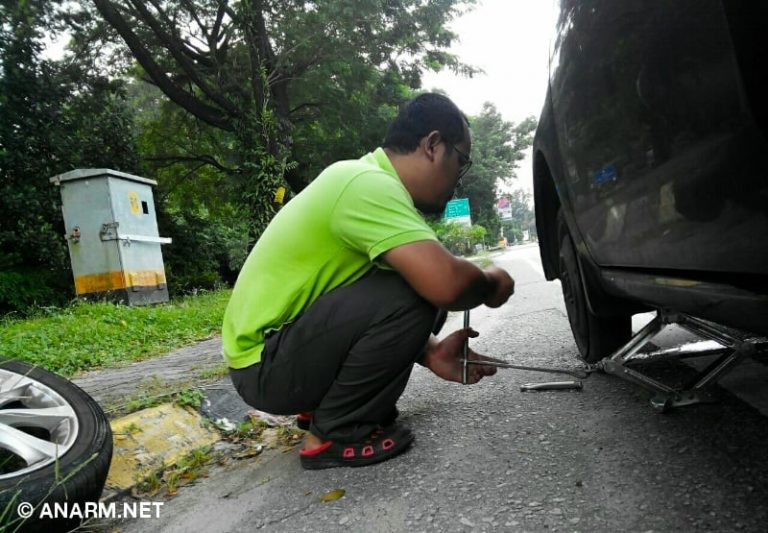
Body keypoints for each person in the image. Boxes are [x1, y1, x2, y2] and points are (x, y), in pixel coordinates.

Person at [223, 93, 515, 470]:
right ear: (432, 145)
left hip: (269, 361)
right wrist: (491, 284)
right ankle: (338, 431)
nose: (458, 180)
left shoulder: (367, 182)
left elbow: (364, 308)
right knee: (423, 285)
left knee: (414, 277)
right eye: (461, 161)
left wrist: (429, 352)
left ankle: (329, 408)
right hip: (267, 366)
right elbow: (447, 284)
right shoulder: (366, 183)